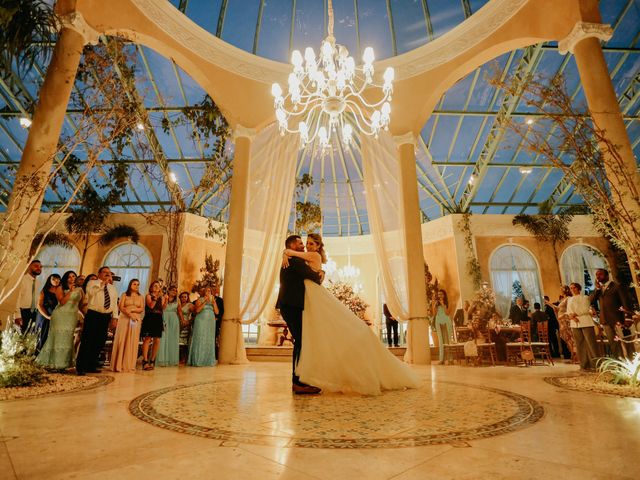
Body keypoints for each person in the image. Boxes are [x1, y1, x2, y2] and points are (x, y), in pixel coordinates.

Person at [281, 233, 419, 395]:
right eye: (302, 244)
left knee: (304, 340)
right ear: (292, 245)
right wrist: (288, 254)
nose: (305, 246)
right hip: (295, 304)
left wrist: (288, 253)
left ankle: (300, 380)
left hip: (306, 301)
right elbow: (313, 276)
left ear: (318, 246)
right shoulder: (295, 260)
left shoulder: (304, 256)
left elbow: (313, 276)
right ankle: (298, 380)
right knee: (302, 341)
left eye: (310, 243)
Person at [36, 271, 83, 370]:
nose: (71, 278)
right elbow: (62, 302)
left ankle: (65, 363)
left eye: (73, 276)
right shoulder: (60, 288)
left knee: (68, 338)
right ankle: (55, 363)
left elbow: (78, 304)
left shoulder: (79, 289)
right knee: (58, 338)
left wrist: (82, 315)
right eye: (69, 276)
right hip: (61, 315)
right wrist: (70, 291)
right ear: (65, 278)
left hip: (72, 316)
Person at [76, 267, 119, 375]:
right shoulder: (92, 282)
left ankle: (91, 365)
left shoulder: (112, 288)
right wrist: (102, 284)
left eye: (109, 273)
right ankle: (81, 367)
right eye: (105, 272)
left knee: (99, 341)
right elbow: (90, 293)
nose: (107, 274)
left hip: (105, 317)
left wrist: (115, 317)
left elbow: (114, 303)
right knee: (88, 341)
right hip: (93, 315)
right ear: (99, 273)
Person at [590, 268, 632, 359]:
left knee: (625, 342)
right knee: (613, 344)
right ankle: (619, 363)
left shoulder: (617, 286)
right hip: (605, 320)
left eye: (600, 274)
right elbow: (591, 300)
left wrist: (628, 317)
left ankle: (630, 362)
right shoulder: (599, 290)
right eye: (597, 275)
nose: (598, 276)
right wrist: (597, 288)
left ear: (607, 276)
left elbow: (625, 302)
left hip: (619, 319)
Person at [111, 279, 145, 372]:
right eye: (134, 284)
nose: (136, 286)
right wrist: (129, 314)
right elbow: (121, 307)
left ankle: (128, 364)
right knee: (123, 339)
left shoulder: (141, 297)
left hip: (135, 319)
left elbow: (141, 308)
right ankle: (118, 365)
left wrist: (133, 311)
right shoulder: (124, 295)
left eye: (138, 284)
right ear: (130, 285)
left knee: (132, 340)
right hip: (124, 319)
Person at [567, 282, 599, 371]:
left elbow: (585, 309)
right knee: (579, 344)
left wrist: (575, 314)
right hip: (574, 323)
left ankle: (595, 364)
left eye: (574, 288)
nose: (572, 289)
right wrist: (571, 316)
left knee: (590, 343)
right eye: (571, 288)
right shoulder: (569, 299)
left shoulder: (585, 297)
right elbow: (568, 310)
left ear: (578, 289)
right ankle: (584, 365)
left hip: (585, 321)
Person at [188, 285, 218, 366]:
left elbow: (217, 312)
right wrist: (204, 301)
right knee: (200, 337)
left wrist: (214, 303)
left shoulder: (213, 301)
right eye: (207, 291)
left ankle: (207, 360)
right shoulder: (199, 300)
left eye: (209, 291)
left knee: (209, 339)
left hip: (210, 322)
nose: (208, 292)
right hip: (201, 320)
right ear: (204, 292)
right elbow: (197, 310)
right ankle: (198, 360)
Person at [141, 281, 166, 370]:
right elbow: (151, 306)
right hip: (149, 317)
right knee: (147, 339)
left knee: (157, 340)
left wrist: (165, 299)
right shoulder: (148, 296)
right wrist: (155, 298)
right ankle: (145, 360)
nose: (156, 287)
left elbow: (163, 308)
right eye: (154, 286)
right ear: (151, 288)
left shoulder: (161, 297)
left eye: (158, 286)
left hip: (158, 318)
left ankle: (152, 360)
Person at [35, 273, 61, 352]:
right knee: (42, 335)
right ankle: (37, 355)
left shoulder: (60, 291)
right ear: (49, 280)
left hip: (55, 317)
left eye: (58, 279)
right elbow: (39, 305)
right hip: (44, 316)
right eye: (53, 279)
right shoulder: (44, 291)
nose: (56, 281)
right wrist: (47, 316)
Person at [157, 286, 182, 367]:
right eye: (172, 290)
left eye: (175, 290)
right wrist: (166, 300)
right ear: (169, 290)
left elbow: (180, 311)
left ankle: (172, 359)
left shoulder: (177, 300)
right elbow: (162, 308)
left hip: (174, 319)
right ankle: (162, 360)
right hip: (165, 317)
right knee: (163, 338)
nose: (174, 292)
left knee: (172, 338)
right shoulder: (164, 297)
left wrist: (183, 320)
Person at [14, 259, 42, 333]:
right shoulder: (22, 280)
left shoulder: (38, 283)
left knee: (29, 338)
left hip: (34, 314)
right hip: (23, 313)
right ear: (29, 266)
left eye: (40, 267)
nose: (39, 268)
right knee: (19, 337)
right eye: (36, 266)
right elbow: (17, 298)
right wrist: (17, 315)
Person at [432, 289, 453, 364]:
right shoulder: (436, 303)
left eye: (441, 294)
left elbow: (447, 313)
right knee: (441, 341)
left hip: (446, 321)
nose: (439, 296)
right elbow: (434, 314)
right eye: (438, 294)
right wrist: (434, 305)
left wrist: (443, 303)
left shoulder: (448, 302)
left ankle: (450, 359)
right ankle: (442, 359)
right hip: (438, 321)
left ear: (444, 295)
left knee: (448, 341)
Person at [178, 291, 193, 365]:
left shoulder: (189, 305)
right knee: (177, 341)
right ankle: (178, 358)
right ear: (180, 298)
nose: (183, 298)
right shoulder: (178, 304)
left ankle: (184, 359)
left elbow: (195, 314)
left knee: (183, 342)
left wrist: (189, 322)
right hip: (177, 324)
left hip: (185, 325)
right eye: (182, 297)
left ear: (187, 298)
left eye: (185, 297)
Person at [213, 285, 224, 359]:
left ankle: (215, 355)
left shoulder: (220, 300)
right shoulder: (204, 299)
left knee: (215, 338)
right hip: (205, 321)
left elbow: (222, 311)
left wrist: (217, 318)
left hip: (215, 322)